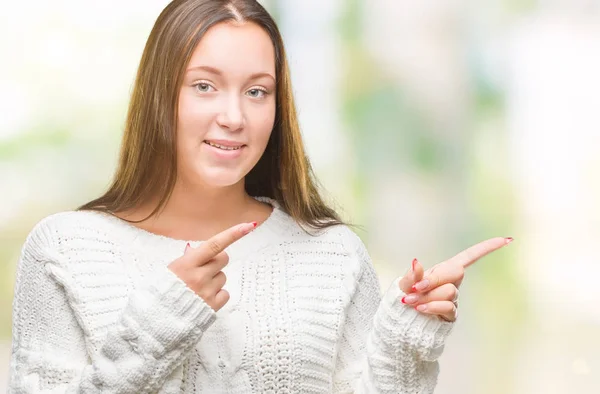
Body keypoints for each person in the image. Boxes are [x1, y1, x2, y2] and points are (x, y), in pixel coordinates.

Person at [7, 0, 512, 393]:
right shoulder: (65, 250)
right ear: (160, 93)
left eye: (257, 91)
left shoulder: (330, 255)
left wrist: (405, 340)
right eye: (205, 86)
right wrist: (159, 323)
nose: (234, 116)